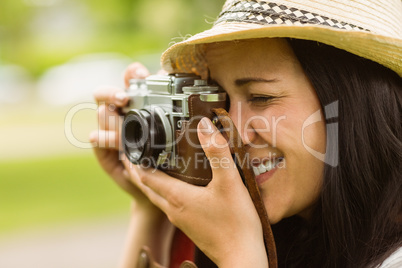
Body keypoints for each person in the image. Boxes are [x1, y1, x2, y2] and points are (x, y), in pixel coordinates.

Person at [89, 0, 402, 267]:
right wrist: (151, 206)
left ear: (351, 102)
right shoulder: (299, 234)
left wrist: (236, 249)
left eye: (261, 97)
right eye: (219, 100)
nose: (228, 130)